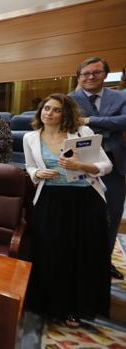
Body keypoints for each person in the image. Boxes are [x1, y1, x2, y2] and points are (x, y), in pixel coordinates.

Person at [23, 93, 112, 327]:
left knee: (80, 254)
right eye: (46, 108)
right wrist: (36, 173)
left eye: (56, 110)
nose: (48, 113)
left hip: (84, 200)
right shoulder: (31, 137)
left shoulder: (83, 134)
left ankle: (74, 307)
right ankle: (51, 306)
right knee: (50, 252)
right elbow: (30, 166)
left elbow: (106, 165)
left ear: (66, 114)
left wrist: (80, 165)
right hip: (50, 199)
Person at [69, 57, 126, 280]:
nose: (90, 77)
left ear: (105, 75)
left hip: (115, 165)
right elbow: (69, 124)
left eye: (96, 73)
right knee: (81, 217)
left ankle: (104, 261)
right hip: (81, 164)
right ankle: (79, 260)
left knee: (111, 216)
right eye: (85, 74)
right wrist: (109, 124)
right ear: (79, 77)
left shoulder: (119, 96)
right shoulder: (69, 100)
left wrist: (90, 120)